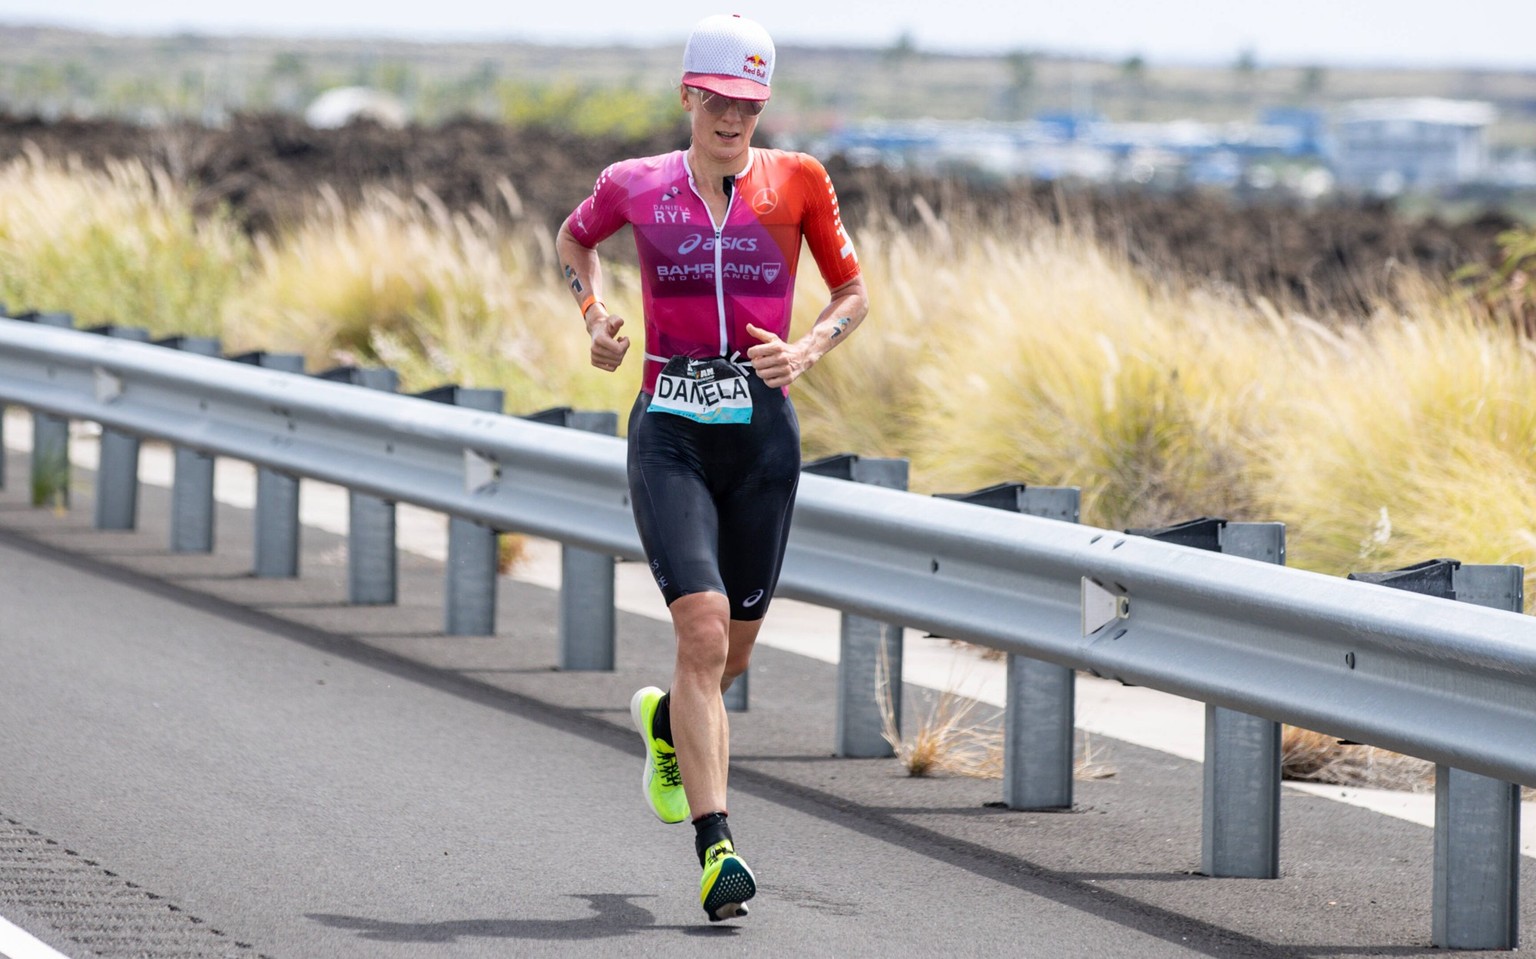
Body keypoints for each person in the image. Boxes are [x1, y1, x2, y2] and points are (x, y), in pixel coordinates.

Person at [554, 12, 869, 923]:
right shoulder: (635, 186)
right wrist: (594, 317)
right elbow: (574, 242)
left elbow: (852, 292)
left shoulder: (799, 183)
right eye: (720, 101)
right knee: (699, 634)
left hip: (763, 438)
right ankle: (717, 847)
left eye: (750, 105)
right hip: (672, 432)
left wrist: (807, 349)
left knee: (728, 655)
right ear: (689, 94)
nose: (735, 120)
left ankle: (663, 724)